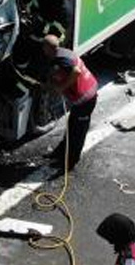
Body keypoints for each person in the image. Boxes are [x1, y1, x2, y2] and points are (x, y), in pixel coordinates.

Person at [42, 34, 98, 171]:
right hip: (84, 97)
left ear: (48, 48)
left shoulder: (62, 59)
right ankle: (60, 153)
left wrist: (62, 87)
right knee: (72, 125)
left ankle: (70, 162)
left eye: (43, 47)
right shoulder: (63, 53)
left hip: (86, 98)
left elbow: (76, 71)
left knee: (78, 131)